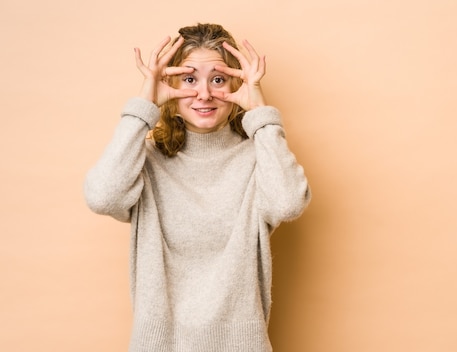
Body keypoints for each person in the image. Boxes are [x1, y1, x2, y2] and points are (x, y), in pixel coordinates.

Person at [84, 23, 311, 352]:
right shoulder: (145, 160)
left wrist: (261, 114)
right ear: (170, 84)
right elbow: (103, 196)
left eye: (218, 79)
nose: (204, 94)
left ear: (236, 83)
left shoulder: (259, 157)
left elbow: (289, 202)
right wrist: (144, 106)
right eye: (189, 79)